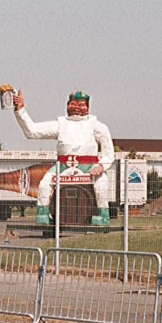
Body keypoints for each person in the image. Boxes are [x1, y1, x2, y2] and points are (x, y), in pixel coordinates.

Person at [12, 89, 113, 226]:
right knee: (44, 184)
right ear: (67, 105)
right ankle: (43, 215)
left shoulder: (97, 126)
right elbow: (32, 132)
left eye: (81, 104)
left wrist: (101, 166)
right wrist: (20, 110)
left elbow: (108, 152)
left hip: (89, 167)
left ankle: (103, 216)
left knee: (102, 184)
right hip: (62, 166)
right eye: (73, 104)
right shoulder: (60, 124)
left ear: (87, 107)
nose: (77, 107)